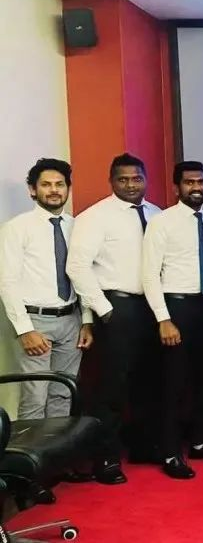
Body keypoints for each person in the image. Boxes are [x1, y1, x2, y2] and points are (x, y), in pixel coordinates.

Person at [66, 153, 160, 485]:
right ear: (111, 181)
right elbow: (77, 267)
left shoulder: (156, 214)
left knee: (149, 380)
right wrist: (104, 310)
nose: (131, 185)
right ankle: (105, 457)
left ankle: (143, 446)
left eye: (136, 178)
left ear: (145, 179)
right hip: (116, 305)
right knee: (112, 386)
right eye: (123, 179)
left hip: (153, 307)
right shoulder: (94, 217)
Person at [142, 161, 203, 479]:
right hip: (176, 308)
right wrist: (163, 319)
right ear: (176, 187)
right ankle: (169, 453)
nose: (196, 187)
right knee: (174, 384)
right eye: (189, 182)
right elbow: (149, 274)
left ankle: (200, 441)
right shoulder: (161, 222)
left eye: (201, 182)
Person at [0, 158, 94, 421]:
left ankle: (56, 448)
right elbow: (7, 282)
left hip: (72, 320)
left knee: (64, 394)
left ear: (68, 189)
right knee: (35, 398)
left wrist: (86, 321)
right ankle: (32, 448)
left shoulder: (77, 226)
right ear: (33, 190)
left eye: (60, 184)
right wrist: (25, 330)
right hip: (35, 321)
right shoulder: (16, 228)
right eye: (46, 184)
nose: (54, 190)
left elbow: (83, 276)